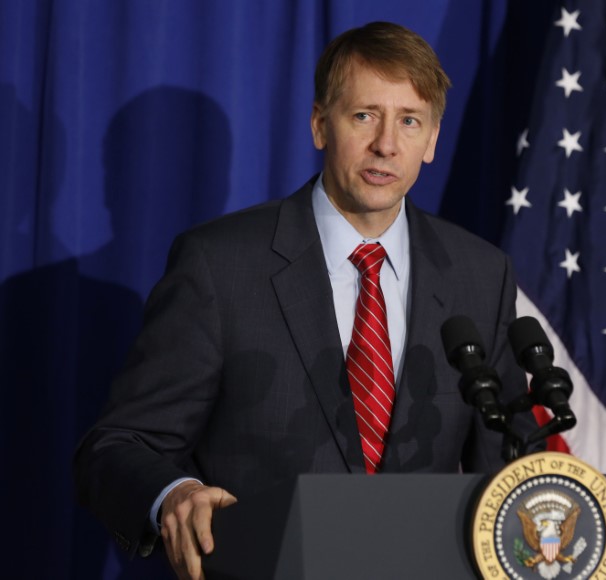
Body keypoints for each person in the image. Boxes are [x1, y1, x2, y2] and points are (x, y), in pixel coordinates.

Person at [74, 21, 539, 579]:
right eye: (364, 115)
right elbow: (118, 445)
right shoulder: (219, 266)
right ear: (321, 124)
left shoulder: (480, 275)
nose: (386, 144)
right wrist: (175, 494)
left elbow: (505, 468)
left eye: (409, 121)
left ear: (433, 140)